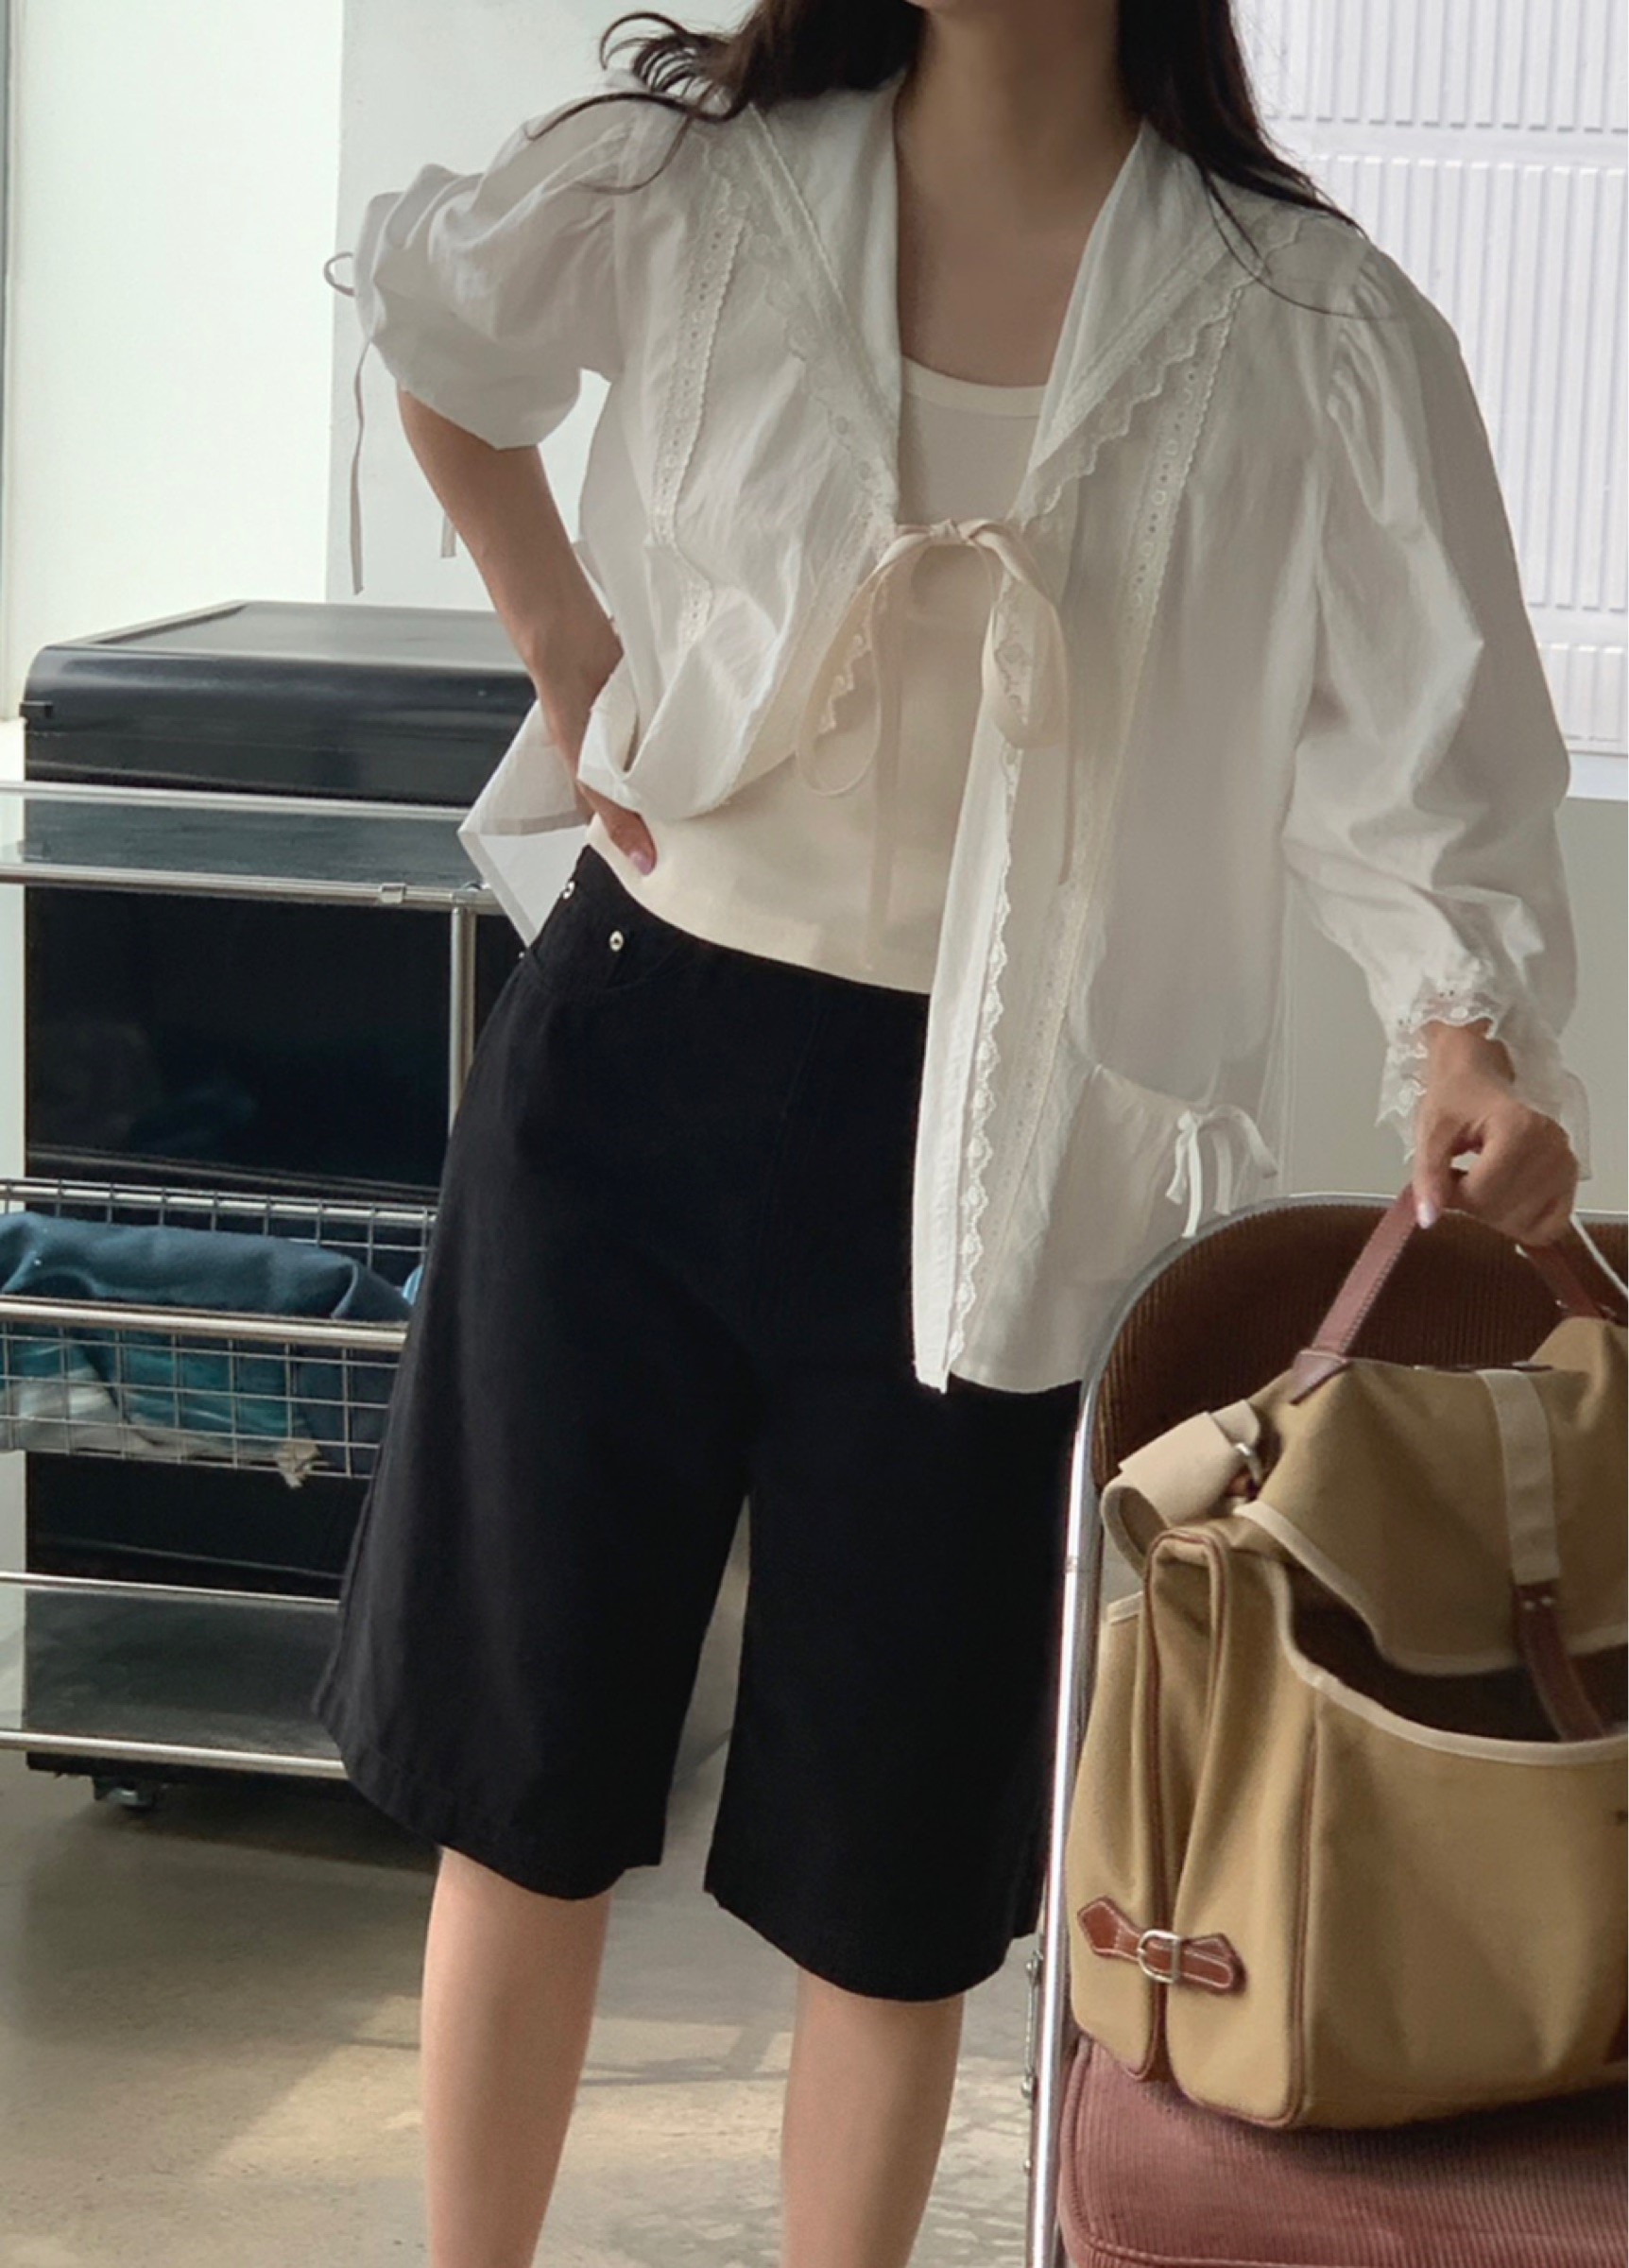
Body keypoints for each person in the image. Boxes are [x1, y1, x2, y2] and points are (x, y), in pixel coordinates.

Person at [314, 3, 1594, 2262]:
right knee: (519, 1779)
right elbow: (436, 334)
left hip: (1009, 1142)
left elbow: (1429, 735)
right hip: (629, 1062)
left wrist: (1465, 1044)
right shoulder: (688, 184)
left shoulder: (1298, 323)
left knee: (891, 1865)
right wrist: (561, 644)